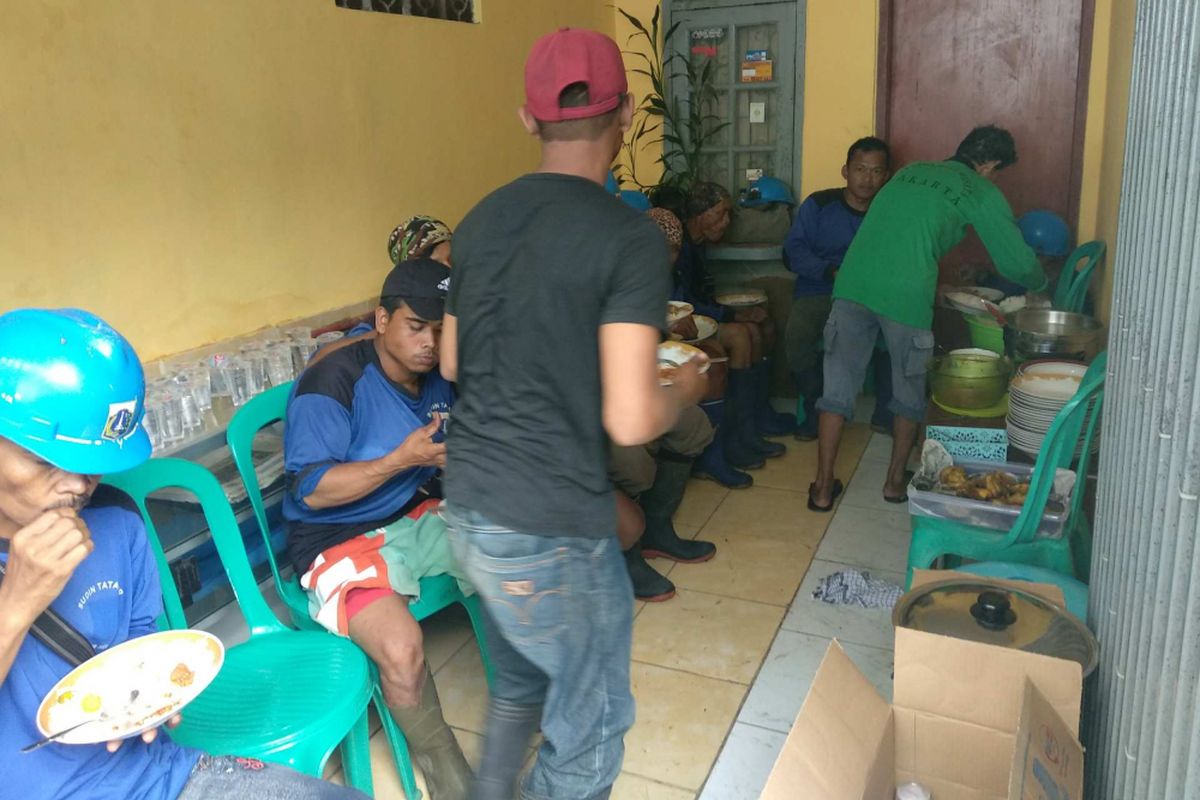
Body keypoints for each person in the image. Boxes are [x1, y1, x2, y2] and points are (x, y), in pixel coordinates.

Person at [438, 28, 708, 800]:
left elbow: (454, 362)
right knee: (590, 728)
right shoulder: (627, 239)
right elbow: (631, 419)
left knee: (522, 688)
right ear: (623, 114)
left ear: (528, 121)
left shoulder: (482, 219)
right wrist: (684, 389)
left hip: (474, 509)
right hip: (551, 525)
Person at [0, 308, 366, 800]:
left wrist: (154, 694)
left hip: (160, 778)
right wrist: (17, 601)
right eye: (46, 461)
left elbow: (139, 645)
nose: (76, 486)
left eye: (94, 466)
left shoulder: (117, 521)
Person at [282, 258, 472, 799]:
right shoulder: (333, 381)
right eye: (417, 327)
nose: (430, 344)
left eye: (441, 330)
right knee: (401, 648)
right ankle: (449, 776)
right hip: (334, 538)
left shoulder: (442, 377)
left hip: (413, 513)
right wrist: (399, 460)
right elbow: (313, 491)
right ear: (382, 320)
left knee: (519, 565)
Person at [809, 125, 1048, 512]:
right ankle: (892, 485)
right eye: (996, 171)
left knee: (835, 393)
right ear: (988, 164)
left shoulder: (910, 172)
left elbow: (899, 234)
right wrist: (1039, 285)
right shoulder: (980, 189)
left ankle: (821, 489)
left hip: (852, 283)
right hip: (906, 296)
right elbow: (1017, 262)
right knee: (908, 394)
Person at [783, 136, 894, 440]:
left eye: (876, 171)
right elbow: (794, 250)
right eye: (860, 169)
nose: (867, 178)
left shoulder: (892, 212)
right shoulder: (820, 204)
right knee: (797, 336)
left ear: (886, 176)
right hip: (820, 288)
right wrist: (830, 271)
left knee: (899, 331)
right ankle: (815, 404)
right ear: (845, 171)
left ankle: (886, 411)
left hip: (871, 294)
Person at [674, 182, 790, 472]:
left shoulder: (698, 245)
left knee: (758, 325)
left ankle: (751, 423)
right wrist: (730, 315)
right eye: (721, 214)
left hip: (701, 318)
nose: (727, 222)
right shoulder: (680, 247)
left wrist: (734, 311)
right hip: (681, 326)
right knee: (741, 334)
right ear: (701, 214)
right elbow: (682, 303)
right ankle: (736, 436)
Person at [648, 207, 752, 490]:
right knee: (714, 363)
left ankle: (732, 440)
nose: (669, 257)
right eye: (662, 249)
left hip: (665, 344)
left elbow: (683, 304)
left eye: (674, 250)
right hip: (643, 356)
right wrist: (665, 328)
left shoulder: (672, 271)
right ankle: (711, 456)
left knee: (717, 350)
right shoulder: (631, 275)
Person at [309, 215, 456, 368]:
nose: (450, 270)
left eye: (452, 260)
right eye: (416, 327)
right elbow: (321, 358)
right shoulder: (384, 320)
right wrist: (387, 334)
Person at [610, 404, 718, 602]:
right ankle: (625, 554)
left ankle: (656, 530)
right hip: (572, 417)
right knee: (633, 463)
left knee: (691, 422)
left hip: (613, 397)